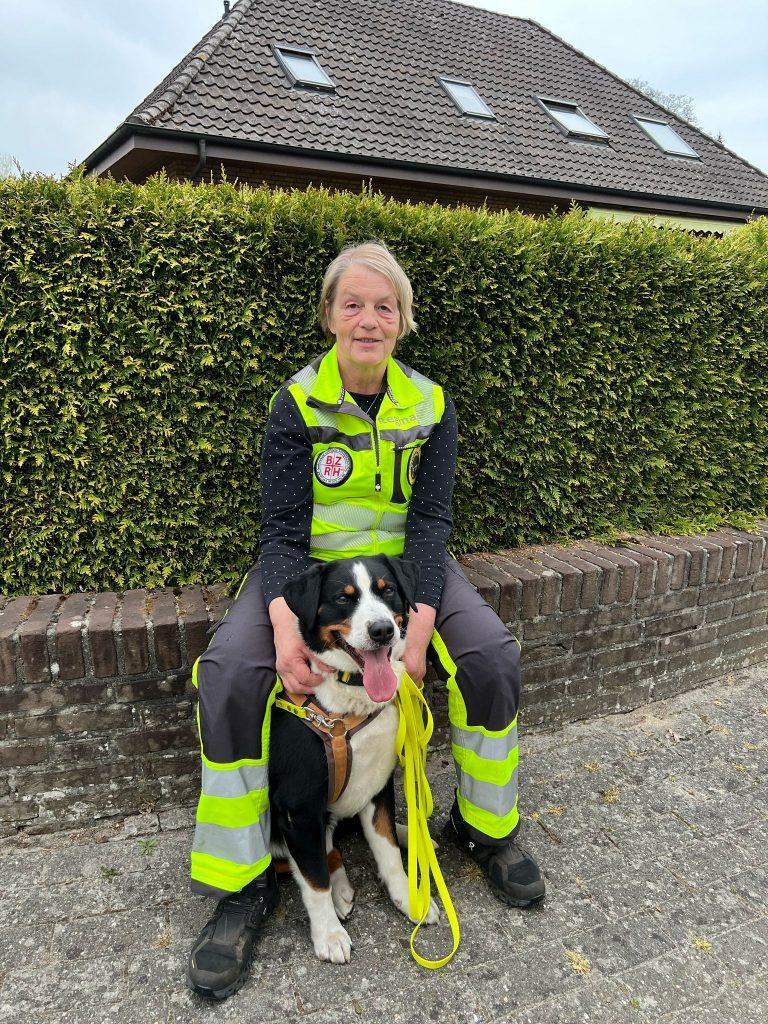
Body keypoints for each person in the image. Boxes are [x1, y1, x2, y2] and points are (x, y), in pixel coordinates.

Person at [186, 240, 545, 1000]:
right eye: (353, 303)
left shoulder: (432, 403)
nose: (369, 319)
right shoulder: (295, 403)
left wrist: (415, 631)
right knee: (230, 676)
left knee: (490, 660)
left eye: (385, 306)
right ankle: (246, 881)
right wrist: (286, 627)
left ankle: (482, 831)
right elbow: (281, 534)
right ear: (329, 315)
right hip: (311, 576)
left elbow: (432, 523)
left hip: (406, 577)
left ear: (403, 320)